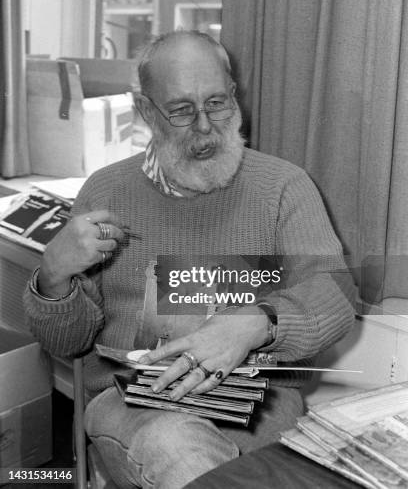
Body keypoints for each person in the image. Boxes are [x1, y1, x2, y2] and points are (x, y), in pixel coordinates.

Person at [23, 30, 355, 489]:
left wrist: (255, 323)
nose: (204, 126)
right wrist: (54, 276)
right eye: (181, 109)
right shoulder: (105, 192)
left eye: (217, 103)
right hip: (135, 400)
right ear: (145, 111)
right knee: (176, 447)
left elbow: (333, 294)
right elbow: (70, 343)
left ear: (234, 96)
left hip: (262, 400)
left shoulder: (283, 187)